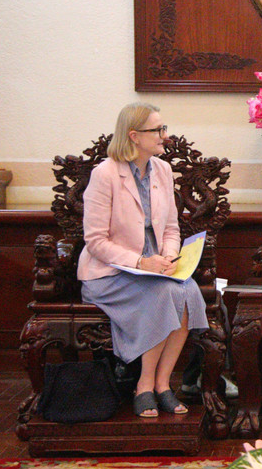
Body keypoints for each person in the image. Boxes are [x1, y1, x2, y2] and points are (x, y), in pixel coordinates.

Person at [78, 103, 209, 418]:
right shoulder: (105, 174)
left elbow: (172, 227)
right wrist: (140, 262)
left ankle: (164, 383)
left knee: (188, 291)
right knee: (164, 293)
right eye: (158, 130)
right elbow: (95, 241)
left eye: (164, 128)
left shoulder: (162, 170)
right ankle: (144, 385)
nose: (166, 135)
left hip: (155, 269)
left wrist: (167, 255)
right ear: (134, 136)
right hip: (109, 274)